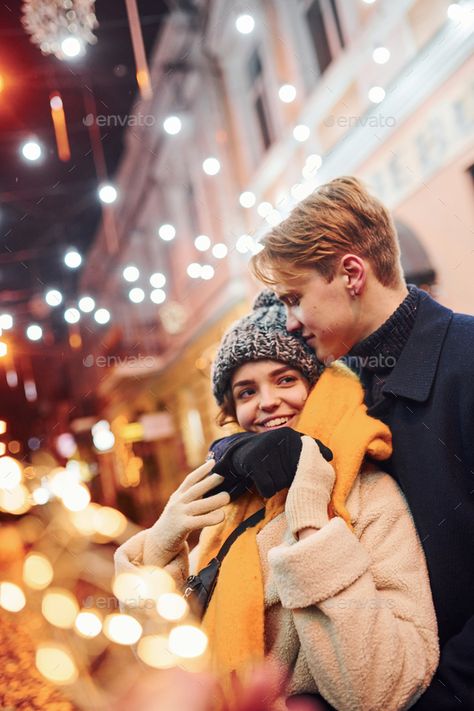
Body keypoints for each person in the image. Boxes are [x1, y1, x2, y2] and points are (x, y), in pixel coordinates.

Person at [115, 292, 438, 711]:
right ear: (232, 409)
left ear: (318, 385)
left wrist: (310, 529)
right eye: (246, 392)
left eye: (286, 379)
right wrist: (160, 550)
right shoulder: (231, 505)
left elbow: (384, 689)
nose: (267, 402)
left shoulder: (370, 496)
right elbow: (164, 660)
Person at [251, 175, 474, 710]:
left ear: (351, 273)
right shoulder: (336, 395)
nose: (290, 322)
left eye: (294, 298)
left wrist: (442, 697)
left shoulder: (466, 362)